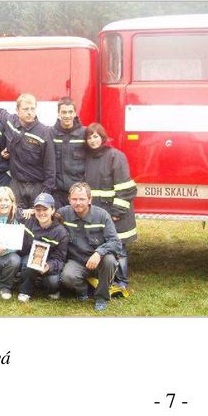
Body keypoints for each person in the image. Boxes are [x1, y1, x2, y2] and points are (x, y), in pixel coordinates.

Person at [82, 122, 136, 294]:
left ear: (103, 137)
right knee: (102, 247)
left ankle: (121, 282)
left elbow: (126, 188)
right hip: (99, 213)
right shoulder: (87, 158)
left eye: (96, 136)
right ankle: (106, 279)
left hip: (115, 214)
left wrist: (117, 213)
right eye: (89, 137)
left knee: (119, 248)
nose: (93, 140)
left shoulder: (116, 156)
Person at [58, 181, 121, 313]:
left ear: (90, 200)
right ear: (69, 199)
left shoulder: (102, 215)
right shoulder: (62, 214)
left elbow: (115, 242)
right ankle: (83, 291)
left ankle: (101, 297)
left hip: (99, 261)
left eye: (82, 199)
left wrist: (99, 253)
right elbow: (45, 218)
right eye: (74, 199)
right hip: (77, 261)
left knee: (110, 260)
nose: (78, 202)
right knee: (67, 277)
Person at [4, 93, 57, 210]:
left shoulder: (44, 132)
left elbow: (50, 166)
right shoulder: (11, 122)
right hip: (16, 184)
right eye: (25, 109)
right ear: (17, 110)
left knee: (36, 221)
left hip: (37, 186)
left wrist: (46, 192)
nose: (29, 112)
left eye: (32, 109)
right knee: (15, 219)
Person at [18, 192, 70, 302]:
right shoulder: (28, 221)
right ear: (33, 210)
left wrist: (49, 266)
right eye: (38, 209)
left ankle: (50, 288)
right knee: (28, 262)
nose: (41, 213)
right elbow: (9, 210)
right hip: (31, 260)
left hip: (49, 263)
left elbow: (60, 259)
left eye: (45, 209)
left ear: (52, 210)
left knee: (53, 282)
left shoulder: (61, 232)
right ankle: (25, 291)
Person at [52, 98, 87, 207]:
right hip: (57, 193)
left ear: (75, 113)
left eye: (70, 112)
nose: (67, 115)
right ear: (58, 113)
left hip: (78, 194)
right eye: (64, 112)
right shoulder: (50, 134)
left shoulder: (85, 134)